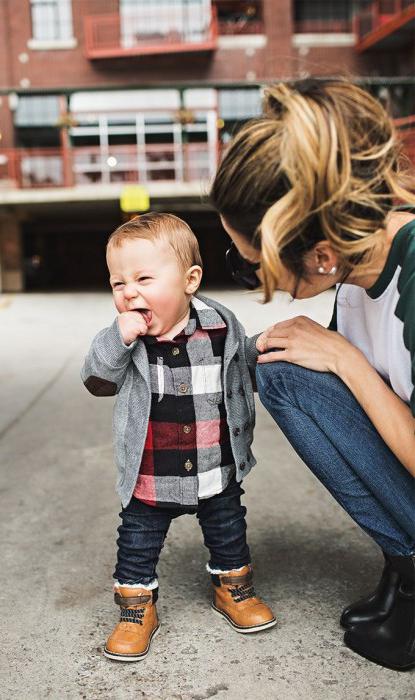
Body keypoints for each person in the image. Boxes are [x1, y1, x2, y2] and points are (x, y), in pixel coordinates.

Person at [210, 77, 415, 672]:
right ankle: (401, 569)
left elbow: (362, 374)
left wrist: (345, 360)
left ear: (322, 254)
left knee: (306, 365)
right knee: (283, 367)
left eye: (253, 267)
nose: (257, 281)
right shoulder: (356, 261)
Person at [81, 213, 276, 662]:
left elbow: (240, 369)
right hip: (151, 473)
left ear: (190, 280)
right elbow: (96, 379)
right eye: (117, 283)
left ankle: (234, 591)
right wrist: (118, 339)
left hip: (215, 464)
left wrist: (263, 346)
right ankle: (136, 612)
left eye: (143, 278)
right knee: (137, 542)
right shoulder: (125, 339)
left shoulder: (220, 324)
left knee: (229, 530)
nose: (129, 291)